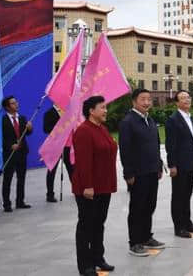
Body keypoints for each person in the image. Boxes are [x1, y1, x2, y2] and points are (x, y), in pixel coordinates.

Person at [72, 96, 117, 276]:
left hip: (104, 186)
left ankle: (98, 258)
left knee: (99, 224)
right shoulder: (83, 131)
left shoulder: (102, 129)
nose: (106, 111)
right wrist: (88, 186)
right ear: (91, 111)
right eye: (102, 107)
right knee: (86, 226)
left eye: (106, 107)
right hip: (89, 188)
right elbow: (83, 162)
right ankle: (85, 265)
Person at [119, 88, 165, 257]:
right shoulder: (128, 122)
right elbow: (125, 149)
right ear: (134, 102)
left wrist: (159, 165)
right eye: (143, 99)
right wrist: (128, 173)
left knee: (149, 206)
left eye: (149, 99)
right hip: (138, 174)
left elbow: (156, 144)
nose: (147, 102)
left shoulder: (150, 120)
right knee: (137, 208)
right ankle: (135, 242)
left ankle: (146, 237)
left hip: (152, 171)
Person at [165, 90, 193, 238]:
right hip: (179, 165)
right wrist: (172, 165)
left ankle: (187, 222)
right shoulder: (173, 120)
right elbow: (171, 144)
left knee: (187, 194)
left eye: (188, 97)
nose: (187, 100)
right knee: (178, 196)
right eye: (183, 98)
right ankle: (179, 227)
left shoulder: (190, 117)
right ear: (177, 102)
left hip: (191, 162)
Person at [1, 96, 32, 212]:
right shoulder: (2, 120)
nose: (16, 104)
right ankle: (7, 204)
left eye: (16, 102)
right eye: (13, 103)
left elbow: (27, 134)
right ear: (7, 107)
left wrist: (29, 128)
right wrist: (10, 146)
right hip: (10, 153)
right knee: (8, 178)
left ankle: (20, 201)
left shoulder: (22, 118)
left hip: (22, 152)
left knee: (21, 178)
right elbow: (0, 138)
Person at [43, 104, 73, 203]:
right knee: (51, 170)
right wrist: (59, 128)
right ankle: (50, 194)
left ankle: (76, 189)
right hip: (54, 146)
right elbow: (46, 129)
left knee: (71, 168)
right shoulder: (49, 113)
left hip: (67, 145)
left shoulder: (67, 112)